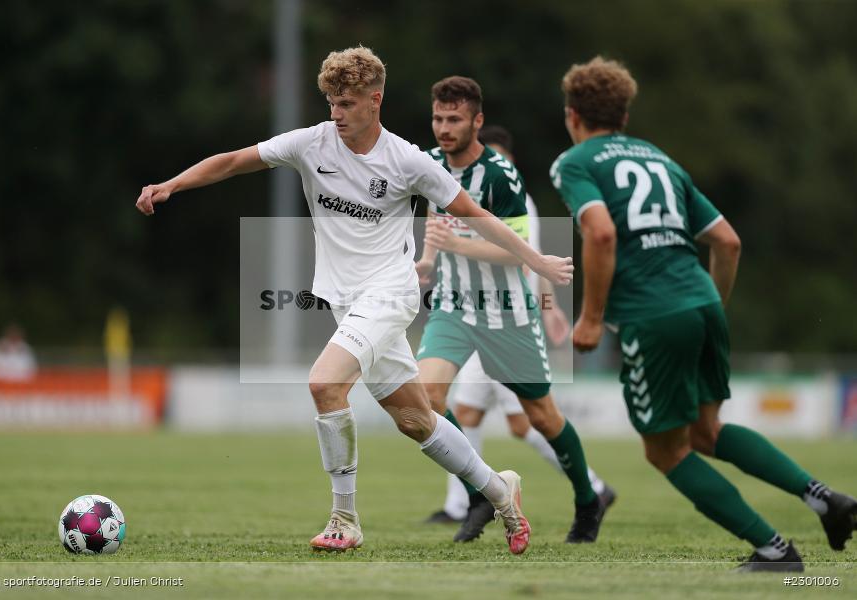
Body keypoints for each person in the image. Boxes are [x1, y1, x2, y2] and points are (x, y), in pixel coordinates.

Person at [136, 46, 575, 555]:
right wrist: (172, 185)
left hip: (390, 292)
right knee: (416, 421)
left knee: (325, 383)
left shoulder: (407, 159)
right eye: (330, 102)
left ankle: (344, 519)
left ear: (375, 100)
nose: (336, 114)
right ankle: (502, 492)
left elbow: (477, 214)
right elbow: (235, 161)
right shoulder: (312, 143)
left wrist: (537, 260)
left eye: (345, 103)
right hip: (345, 302)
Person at [551, 56, 856, 572]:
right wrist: (708, 308)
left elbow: (600, 232)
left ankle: (774, 550)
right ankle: (824, 498)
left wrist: (591, 317)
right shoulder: (662, 160)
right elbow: (728, 242)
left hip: (652, 315)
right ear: (624, 115)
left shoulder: (576, 163)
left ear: (572, 115)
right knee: (706, 432)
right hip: (702, 299)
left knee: (665, 451)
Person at [414, 77, 609, 545]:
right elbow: (435, 220)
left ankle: (589, 499)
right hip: (454, 308)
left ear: (477, 122)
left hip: (508, 313)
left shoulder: (500, 174)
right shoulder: (429, 164)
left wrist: (456, 244)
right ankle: (481, 493)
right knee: (425, 399)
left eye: (454, 119)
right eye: (439, 118)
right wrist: (426, 260)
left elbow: (519, 251)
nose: (444, 127)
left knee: (541, 417)